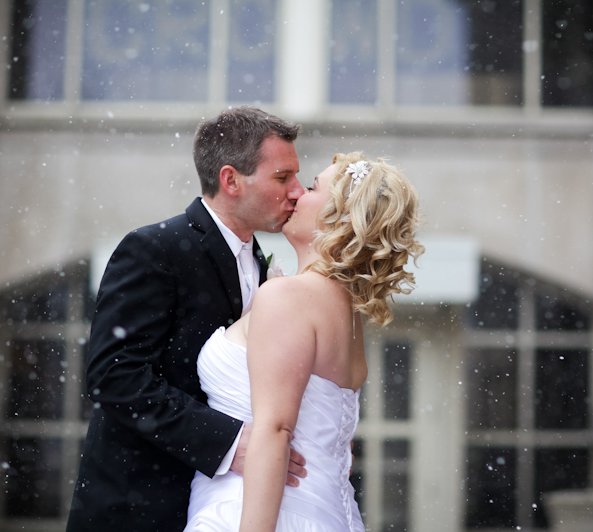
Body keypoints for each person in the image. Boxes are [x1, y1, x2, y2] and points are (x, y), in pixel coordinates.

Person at [66, 107, 309, 532]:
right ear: (231, 180)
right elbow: (114, 375)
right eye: (282, 177)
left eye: (297, 177)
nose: (298, 192)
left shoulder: (262, 263)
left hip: (222, 507)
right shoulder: (154, 249)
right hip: (140, 510)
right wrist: (231, 445)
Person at [184, 152, 423, 532]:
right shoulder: (347, 313)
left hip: (259, 513)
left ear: (340, 217)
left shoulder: (290, 297)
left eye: (311, 187)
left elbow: (275, 430)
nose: (296, 193)